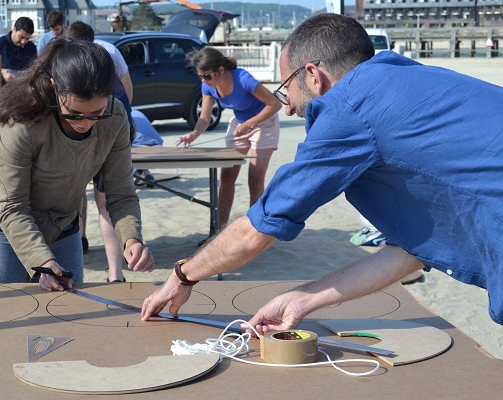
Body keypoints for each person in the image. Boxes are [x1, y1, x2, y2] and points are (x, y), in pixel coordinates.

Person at [141, 13, 503, 330]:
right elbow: (408, 251)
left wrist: (182, 276)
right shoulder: (409, 80)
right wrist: (301, 299)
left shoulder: (350, 107)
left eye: (286, 91)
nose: (289, 109)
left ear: (313, 75)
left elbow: (256, 232)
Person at [0, 38, 154, 291]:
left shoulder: (116, 117)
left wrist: (132, 240)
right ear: (54, 87)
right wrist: (43, 261)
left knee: (69, 320)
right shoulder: (21, 122)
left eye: (96, 113)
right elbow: (12, 206)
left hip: (62, 227)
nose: (85, 123)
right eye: (74, 113)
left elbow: (121, 193)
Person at [176, 47, 281, 231]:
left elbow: (274, 104)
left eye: (207, 76)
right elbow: (205, 118)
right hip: (239, 124)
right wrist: (192, 134)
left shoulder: (243, 79)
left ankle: (255, 229)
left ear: (221, 71)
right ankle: (220, 229)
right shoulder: (208, 86)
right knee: (226, 177)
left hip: (264, 122)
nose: (203, 80)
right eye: (200, 76)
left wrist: (250, 123)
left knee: (255, 178)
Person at [64, 21, 135, 282]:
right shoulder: (108, 53)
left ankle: (84, 243)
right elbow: (127, 88)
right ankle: (115, 273)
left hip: (111, 129)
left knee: (85, 197)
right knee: (103, 203)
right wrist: (124, 115)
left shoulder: (70, 65)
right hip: (118, 123)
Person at [0, 16, 37, 83]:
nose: (23, 42)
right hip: (3, 87)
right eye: (21, 37)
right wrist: (3, 73)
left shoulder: (31, 47)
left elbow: (35, 69)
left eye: (27, 39)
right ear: (14, 29)